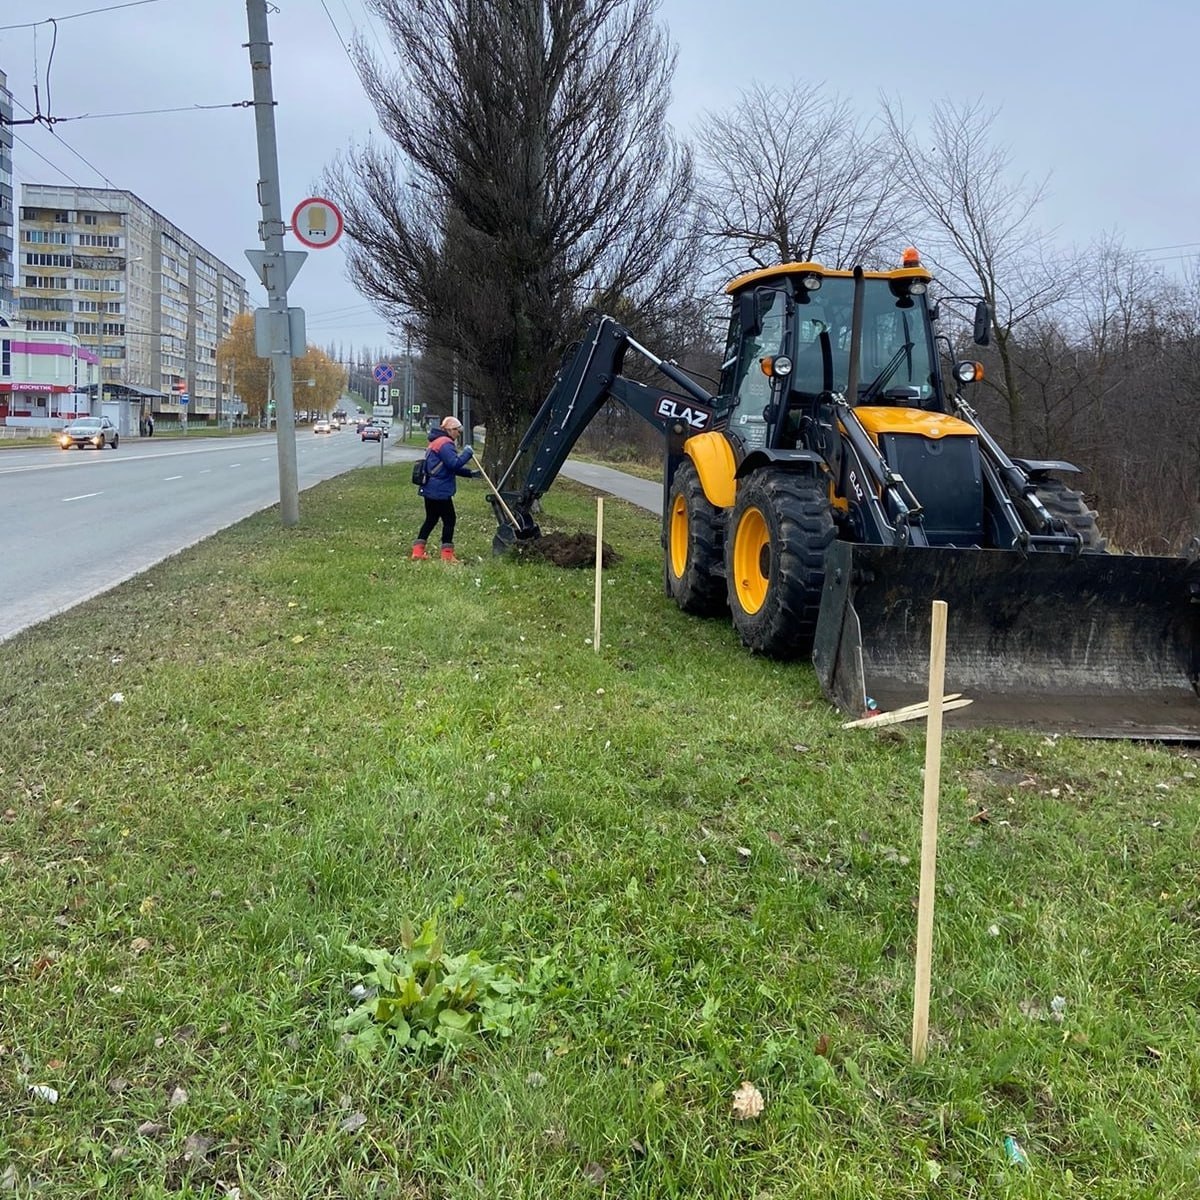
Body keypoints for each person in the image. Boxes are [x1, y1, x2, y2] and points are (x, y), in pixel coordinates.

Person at [412, 416, 479, 562]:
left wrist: (470, 474)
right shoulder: (445, 443)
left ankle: (417, 551)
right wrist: (467, 453)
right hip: (440, 490)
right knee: (450, 519)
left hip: (430, 487)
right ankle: (447, 555)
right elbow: (454, 464)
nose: (458, 433)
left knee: (431, 519)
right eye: (457, 430)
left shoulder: (436, 442)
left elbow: (447, 467)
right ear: (449, 430)